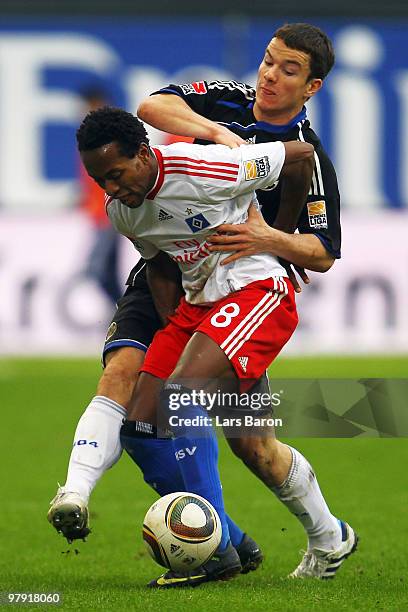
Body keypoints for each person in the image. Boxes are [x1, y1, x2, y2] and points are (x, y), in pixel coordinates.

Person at [48, 23, 357, 585]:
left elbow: (322, 251)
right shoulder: (226, 102)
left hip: (241, 286)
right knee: (138, 397)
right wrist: (220, 134)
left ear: (310, 88)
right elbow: (151, 105)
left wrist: (271, 238)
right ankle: (217, 543)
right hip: (171, 277)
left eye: (288, 70)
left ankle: (324, 536)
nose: (269, 75)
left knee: (251, 443)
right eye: (268, 61)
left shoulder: (311, 158)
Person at [75, 105, 316, 588]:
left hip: (252, 289)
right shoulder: (123, 211)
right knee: (140, 427)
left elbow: (301, 156)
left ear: (144, 154)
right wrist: (177, 333)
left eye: (117, 174)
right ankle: (227, 536)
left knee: (187, 402)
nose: (112, 188)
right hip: (198, 308)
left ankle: (216, 555)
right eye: (101, 180)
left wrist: (278, 237)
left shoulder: (207, 168)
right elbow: (162, 262)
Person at [77, 87, 122, 306]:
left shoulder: (108, 138)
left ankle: (125, 314)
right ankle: (124, 314)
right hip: (100, 213)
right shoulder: (91, 138)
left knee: (97, 270)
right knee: (108, 273)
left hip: (109, 213)